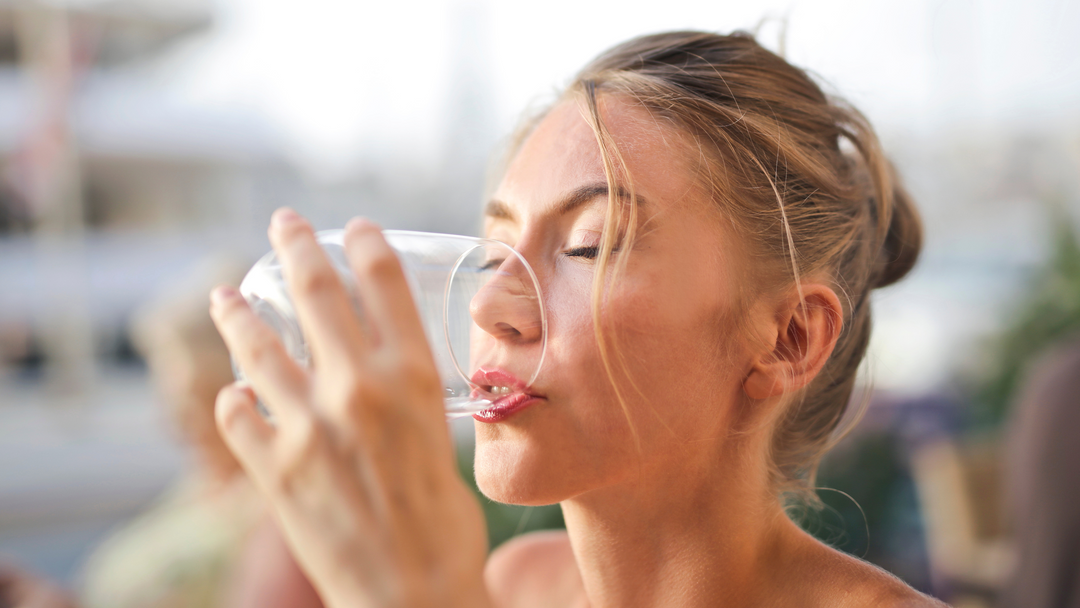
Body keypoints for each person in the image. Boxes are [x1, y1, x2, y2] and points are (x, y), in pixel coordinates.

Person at [208, 31, 944, 606]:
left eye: (590, 245)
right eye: (496, 252)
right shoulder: (513, 585)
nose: (491, 306)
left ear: (787, 338)